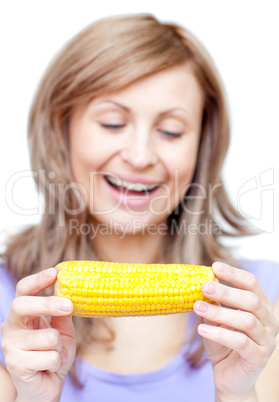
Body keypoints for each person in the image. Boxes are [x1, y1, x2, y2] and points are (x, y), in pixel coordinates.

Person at [0, 13, 278, 402]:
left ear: (202, 147)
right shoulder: (7, 304)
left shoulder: (262, 306)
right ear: (61, 129)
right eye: (113, 123)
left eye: (170, 131)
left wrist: (239, 391)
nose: (140, 155)